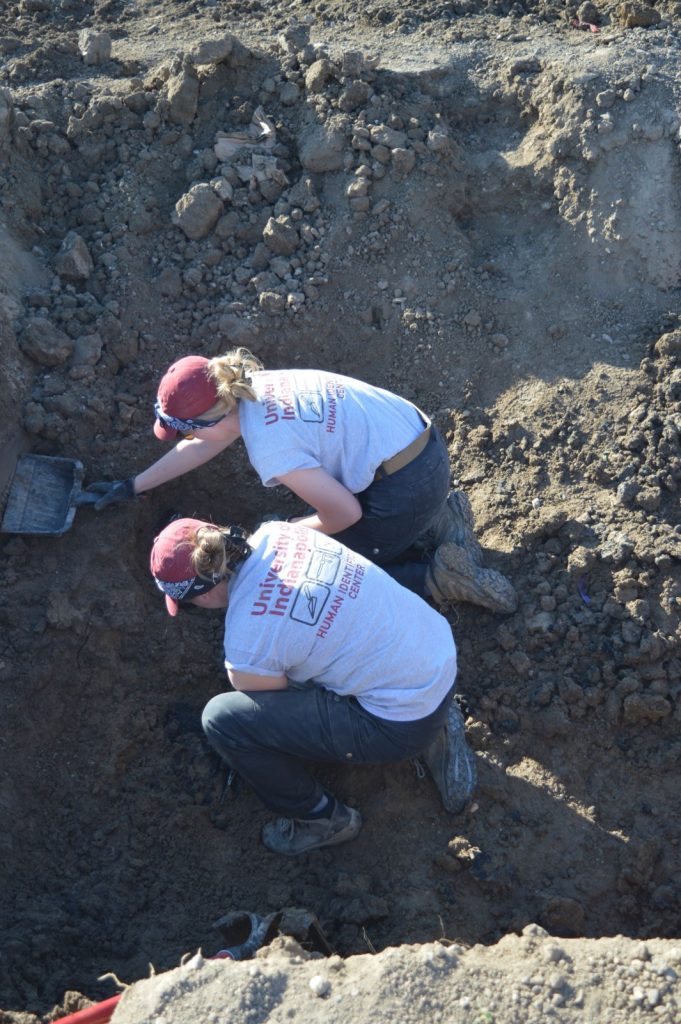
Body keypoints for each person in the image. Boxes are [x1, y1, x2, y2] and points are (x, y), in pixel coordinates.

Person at [92, 348, 516, 614]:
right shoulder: (251, 388)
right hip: (421, 447)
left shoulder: (271, 446)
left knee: (330, 571)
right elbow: (204, 444)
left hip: (406, 486)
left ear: (213, 417)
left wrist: (282, 534)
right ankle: (438, 521)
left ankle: (440, 578)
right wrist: (133, 485)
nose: (189, 440)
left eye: (187, 431)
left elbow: (343, 513)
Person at [149, 515, 478, 855]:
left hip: (401, 724)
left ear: (199, 598)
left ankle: (323, 819)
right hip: (437, 652)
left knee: (222, 718)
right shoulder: (278, 532)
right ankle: (437, 720)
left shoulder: (244, 645)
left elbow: (283, 700)